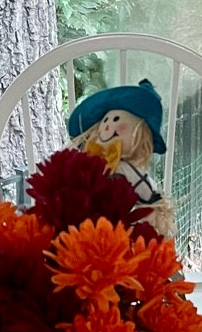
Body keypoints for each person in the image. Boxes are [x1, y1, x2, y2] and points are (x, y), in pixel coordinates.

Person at [66, 78, 176, 237]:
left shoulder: (126, 170)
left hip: (121, 229)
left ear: (140, 134)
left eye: (116, 119)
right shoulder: (88, 160)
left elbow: (146, 192)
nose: (109, 125)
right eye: (106, 120)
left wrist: (153, 203)